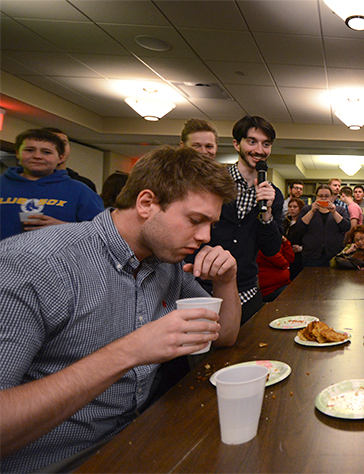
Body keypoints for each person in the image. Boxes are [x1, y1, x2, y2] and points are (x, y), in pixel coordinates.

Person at [0, 145, 241, 473]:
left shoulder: (164, 261)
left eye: (210, 223)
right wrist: (131, 350)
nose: (205, 236)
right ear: (146, 203)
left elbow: (224, 336)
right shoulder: (34, 264)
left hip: (136, 440)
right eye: (195, 220)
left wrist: (227, 281)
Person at [185, 116, 284, 325]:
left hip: (247, 292)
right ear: (236, 144)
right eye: (252, 141)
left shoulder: (273, 194)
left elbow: (271, 249)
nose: (259, 150)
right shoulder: (212, 181)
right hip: (201, 289)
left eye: (266, 144)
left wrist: (266, 214)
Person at [1, 129, 104, 240]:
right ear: (17, 153)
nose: (37, 156)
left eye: (46, 152)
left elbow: (102, 233)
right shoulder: (2, 184)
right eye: (29, 150)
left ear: (61, 158)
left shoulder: (80, 191)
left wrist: (65, 228)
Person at [291, 184, 350, 267]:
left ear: (331, 197)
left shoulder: (340, 210)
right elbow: (299, 228)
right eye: (320, 196)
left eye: (327, 196)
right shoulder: (307, 209)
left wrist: (334, 212)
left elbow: (346, 227)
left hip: (334, 255)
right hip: (311, 255)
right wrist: (312, 211)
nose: (324, 198)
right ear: (316, 197)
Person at [42, 127, 97, 192]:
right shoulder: (29, 180)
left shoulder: (84, 185)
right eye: (53, 143)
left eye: (63, 143)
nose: (60, 148)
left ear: (69, 148)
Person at [257, 236, 294, 302]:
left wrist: (286, 243)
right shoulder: (264, 247)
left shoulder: (275, 244)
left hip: (281, 285)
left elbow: (290, 259)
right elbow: (283, 263)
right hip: (270, 290)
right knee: (296, 294)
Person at [283, 197, 305, 280]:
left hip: (299, 257)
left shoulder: (303, 223)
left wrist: (301, 248)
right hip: (286, 255)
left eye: (295, 207)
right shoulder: (285, 222)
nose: (292, 209)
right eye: (290, 206)